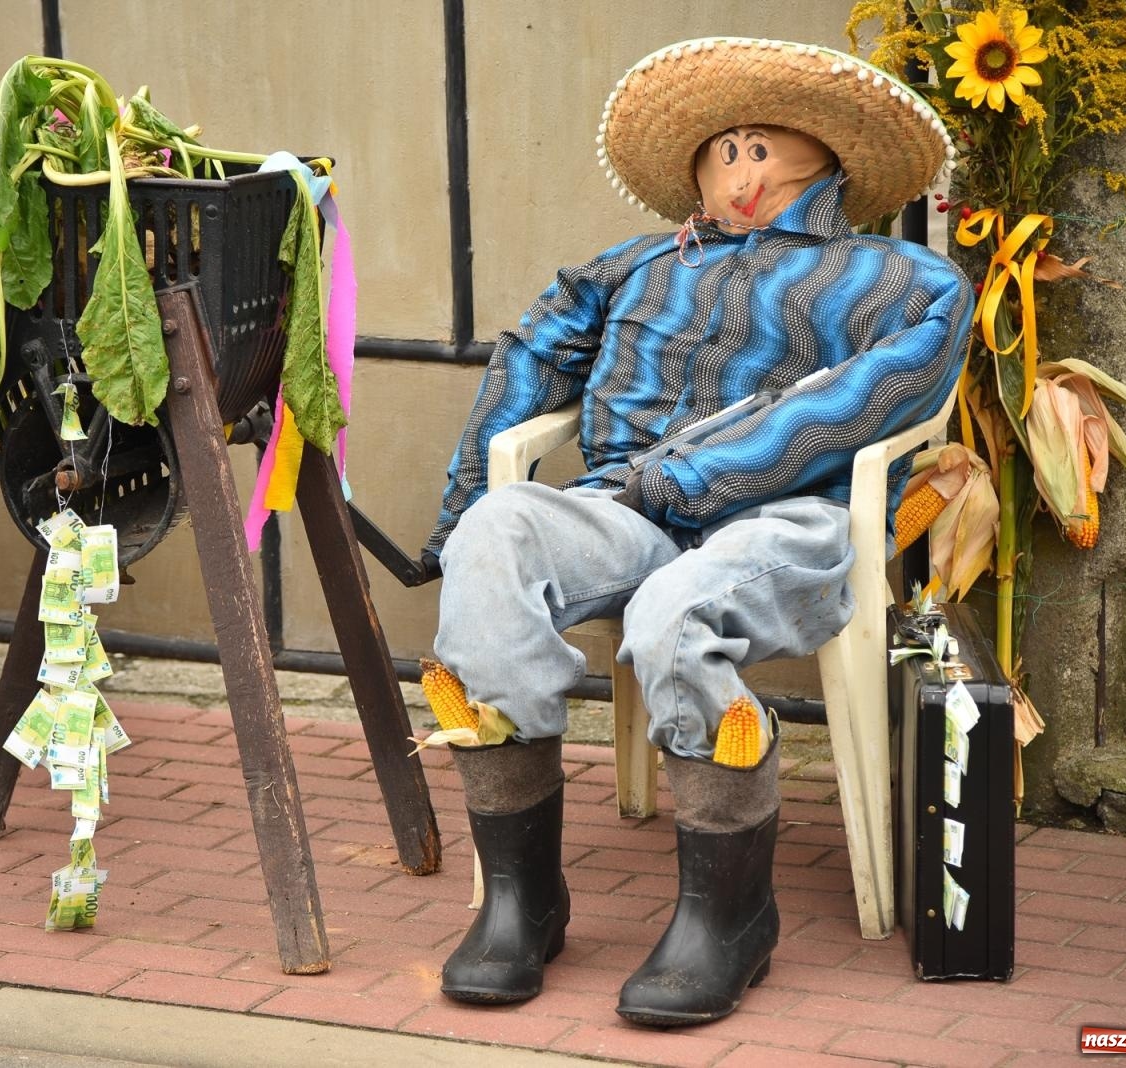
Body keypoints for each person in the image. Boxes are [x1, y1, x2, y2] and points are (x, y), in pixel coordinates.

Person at [417, 38, 974, 1028]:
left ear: (826, 158)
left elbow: (852, 407)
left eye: (759, 148)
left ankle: (727, 917)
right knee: (498, 537)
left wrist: (682, 478)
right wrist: (462, 510)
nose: (736, 171)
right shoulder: (629, 267)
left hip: (782, 519)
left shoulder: (900, 281)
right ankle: (522, 902)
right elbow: (530, 358)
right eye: (720, 152)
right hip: (621, 509)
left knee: (678, 608)